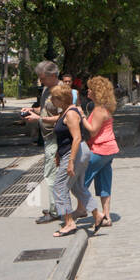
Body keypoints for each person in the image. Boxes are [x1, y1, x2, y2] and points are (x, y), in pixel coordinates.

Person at [48, 84, 103, 237]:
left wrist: (70, 161)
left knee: (60, 187)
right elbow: (63, 134)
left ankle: (69, 223)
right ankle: (97, 215)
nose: (52, 100)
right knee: (77, 187)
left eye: (53, 98)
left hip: (75, 153)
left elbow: (77, 137)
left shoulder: (71, 113)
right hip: (76, 152)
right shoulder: (66, 111)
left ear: (61, 99)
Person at [22, 61, 68, 224]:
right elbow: (45, 109)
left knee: (51, 175)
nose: (41, 81)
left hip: (56, 138)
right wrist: (32, 111)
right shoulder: (46, 90)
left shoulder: (61, 91)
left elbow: (65, 117)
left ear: (53, 75)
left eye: (43, 78)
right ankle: (60, 207)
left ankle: (56, 210)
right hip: (48, 137)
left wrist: (39, 118)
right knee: (55, 175)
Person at [81, 76, 120, 227]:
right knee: (104, 183)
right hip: (109, 149)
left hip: (99, 149)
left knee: (80, 183)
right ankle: (107, 216)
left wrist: (82, 117)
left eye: (90, 88)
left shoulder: (98, 110)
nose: (88, 91)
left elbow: (92, 131)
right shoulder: (105, 107)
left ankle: (88, 211)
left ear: (97, 91)